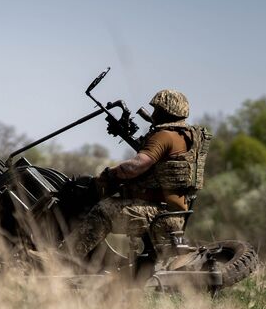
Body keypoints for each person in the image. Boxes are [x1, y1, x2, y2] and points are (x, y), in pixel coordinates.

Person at [61, 89, 211, 259]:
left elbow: (134, 167)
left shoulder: (164, 136)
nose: (153, 114)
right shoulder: (188, 137)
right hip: (177, 215)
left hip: (158, 214)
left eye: (157, 110)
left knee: (104, 211)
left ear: (166, 112)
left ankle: (63, 258)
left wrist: (109, 174)